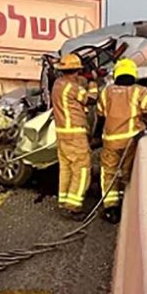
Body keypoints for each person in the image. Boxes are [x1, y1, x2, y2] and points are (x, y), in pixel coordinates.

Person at [96, 59, 147, 224]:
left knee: (108, 173)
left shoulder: (107, 92)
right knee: (126, 172)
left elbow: (100, 116)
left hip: (110, 142)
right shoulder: (140, 91)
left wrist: (97, 136)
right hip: (130, 141)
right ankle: (124, 202)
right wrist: (146, 124)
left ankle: (111, 209)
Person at [51, 53, 98, 220]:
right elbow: (91, 99)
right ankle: (74, 206)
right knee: (82, 169)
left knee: (66, 169)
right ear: (77, 70)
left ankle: (64, 201)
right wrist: (93, 83)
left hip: (62, 133)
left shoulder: (58, 84)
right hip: (75, 134)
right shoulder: (72, 87)